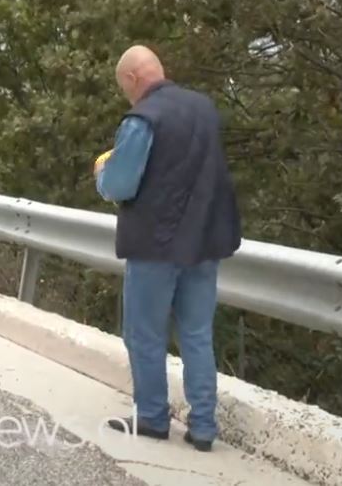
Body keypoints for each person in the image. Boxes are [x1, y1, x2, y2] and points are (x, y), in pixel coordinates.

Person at [94, 45, 242, 452]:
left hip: (155, 244)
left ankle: (154, 418)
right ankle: (204, 426)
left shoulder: (142, 119)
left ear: (133, 80)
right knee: (196, 333)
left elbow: (122, 184)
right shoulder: (204, 109)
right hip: (205, 240)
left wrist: (101, 174)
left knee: (144, 334)